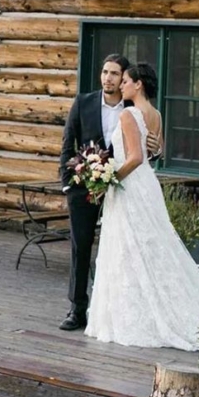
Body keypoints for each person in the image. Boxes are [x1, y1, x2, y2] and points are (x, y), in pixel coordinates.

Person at [84, 63, 199, 350]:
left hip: (131, 185)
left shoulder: (128, 114)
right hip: (148, 184)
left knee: (128, 248)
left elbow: (134, 157)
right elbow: (156, 151)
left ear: (138, 85)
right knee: (152, 245)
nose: (120, 85)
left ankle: (139, 315)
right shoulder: (156, 115)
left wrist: (110, 179)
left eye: (125, 81)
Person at [57, 53, 161, 331]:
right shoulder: (83, 102)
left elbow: (146, 152)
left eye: (115, 74)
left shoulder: (134, 108)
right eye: (105, 72)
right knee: (81, 246)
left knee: (121, 249)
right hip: (85, 187)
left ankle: (117, 310)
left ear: (126, 78)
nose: (108, 78)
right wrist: (69, 183)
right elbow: (68, 144)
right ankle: (77, 308)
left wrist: (157, 150)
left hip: (122, 188)